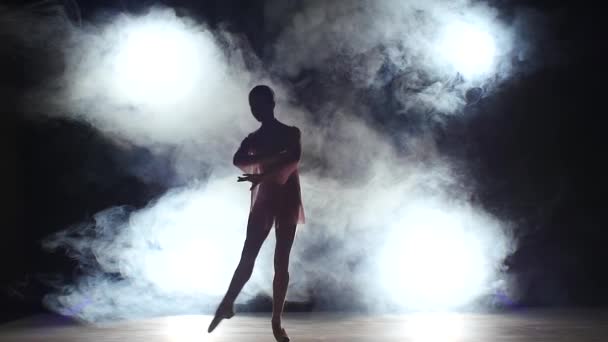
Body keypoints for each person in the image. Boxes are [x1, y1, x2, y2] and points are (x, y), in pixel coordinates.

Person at [208, 85, 305, 342]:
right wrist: (269, 160)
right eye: (252, 106)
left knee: (280, 260)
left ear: (271, 104)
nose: (255, 110)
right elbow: (238, 159)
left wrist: (264, 171)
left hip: (286, 197)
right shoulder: (253, 138)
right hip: (265, 198)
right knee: (248, 254)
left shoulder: (290, 132)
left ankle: (276, 321)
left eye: (259, 104)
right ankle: (228, 302)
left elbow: (292, 160)